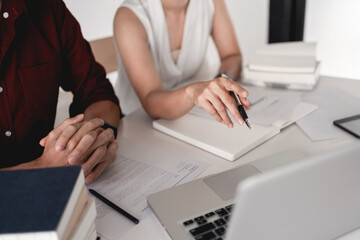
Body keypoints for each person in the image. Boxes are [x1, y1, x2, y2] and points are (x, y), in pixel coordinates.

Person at [0, 0, 121, 184]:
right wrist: (42, 167)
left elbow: (97, 93)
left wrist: (89, 142)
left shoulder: (47, 8)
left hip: (57, 185)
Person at [114, 0, 250, 128]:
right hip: (138, 124)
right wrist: (192, 94)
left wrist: (222, 82)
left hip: (193, 116)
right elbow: (151, 99)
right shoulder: (129, 16)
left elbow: (232, 56)